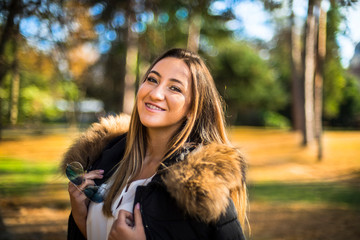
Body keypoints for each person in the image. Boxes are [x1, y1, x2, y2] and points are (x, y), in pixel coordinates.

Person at [61, 48, 248, 240]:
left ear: (193, 108)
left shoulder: (200, 185)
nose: (156, 93)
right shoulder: (106, 157)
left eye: (174, 88)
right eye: (152, 80)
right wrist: (82, 218)